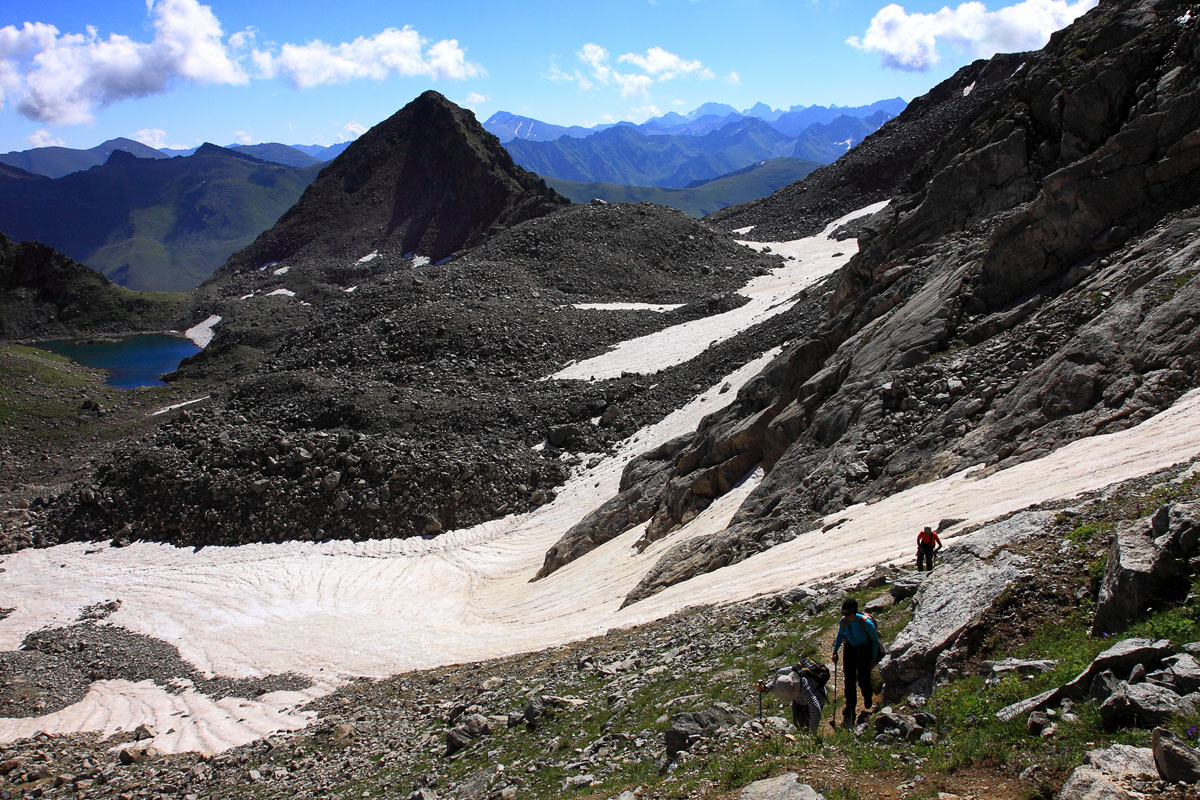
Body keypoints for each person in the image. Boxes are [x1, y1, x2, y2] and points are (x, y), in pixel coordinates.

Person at [831, 597, 881, 728]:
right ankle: (850, 705)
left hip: (865, 650)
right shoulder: (843, 622)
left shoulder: (866, 624)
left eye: (847, 614)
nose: (845, 616)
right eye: (844, 613)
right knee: (849, 678)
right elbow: (840, 635)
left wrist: (874, 658)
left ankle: (867, 695)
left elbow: (875, 641)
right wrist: (835, 651)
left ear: (854, 612)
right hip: (851, 648)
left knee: (864, 677)